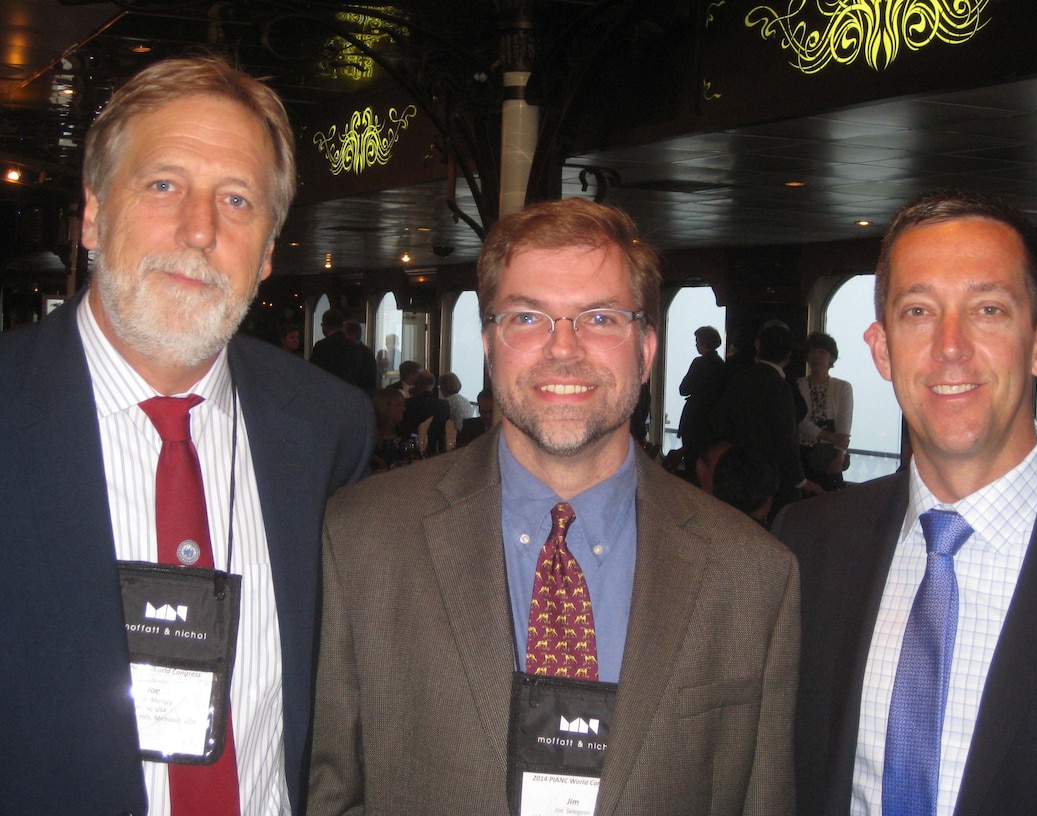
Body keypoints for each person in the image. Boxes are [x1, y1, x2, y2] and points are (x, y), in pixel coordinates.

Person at [308, 198, 799, 815]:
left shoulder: (752, 575)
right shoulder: (365, 539)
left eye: (599, 318)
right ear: (490, 344)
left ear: (645, 350)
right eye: (527, 318)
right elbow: (335, 797)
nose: (563, 349)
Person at [0, 56, 375, 816]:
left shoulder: (328, 431)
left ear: (268, 251)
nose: (200, 230)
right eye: (163, 184)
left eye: (236, 200)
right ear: (96, 216)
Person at [774, 190, 1037, 816]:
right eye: (918, 311)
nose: (950, 346)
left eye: (988, 309)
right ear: (882, 349)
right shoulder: (809, 545)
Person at [715, 321, 823, 521]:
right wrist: (800, 481)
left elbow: (722, 421)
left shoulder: (739, 378)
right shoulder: (780, 386)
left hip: (740, 471)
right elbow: (786, 439)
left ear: (758, 345)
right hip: (773, 478)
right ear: (789, 355)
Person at [796, 331, 853, 491]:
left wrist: (840, 455)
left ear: (832, 358)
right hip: (801, 452)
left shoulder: (843, 387)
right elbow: (799, 421)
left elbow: (844, 424)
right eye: (812, 352)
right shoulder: (797, 385)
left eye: (821, 352)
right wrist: (829, 436)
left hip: (829, 454)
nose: (816, 356)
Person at [677, 325, 728, 479]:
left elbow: (684, 389)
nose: (696, 344)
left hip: (694, 419)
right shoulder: (721, 365)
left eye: (698, 341)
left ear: (704, 342)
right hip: (711, 422)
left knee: (692, 464)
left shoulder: (699, 363)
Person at [310, 309, 377, 394]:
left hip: (329, 393)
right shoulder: (356, 346)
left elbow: (314, 374)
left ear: (325, 326)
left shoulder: (322, 346)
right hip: (354, 394)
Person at [400, 369, 452, 453]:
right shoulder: (444, 405)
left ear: (416, 385)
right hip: (436, 447)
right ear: (433, 385)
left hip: (412, 446)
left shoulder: (407, 403)